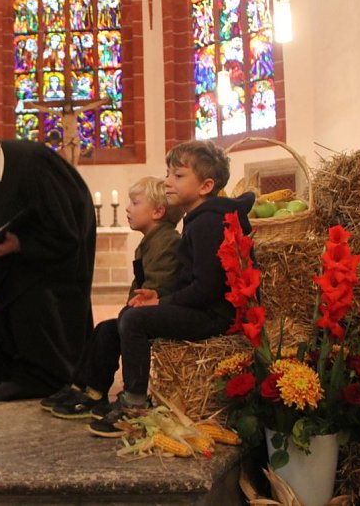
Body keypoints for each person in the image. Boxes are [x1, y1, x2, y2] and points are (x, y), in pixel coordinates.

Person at [87, 140, 255, 437]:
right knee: (129, 316)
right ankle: (95, 391)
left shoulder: (207, 223)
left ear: (205, 186)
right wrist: (160, 297)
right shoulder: (199, 220)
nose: (167, 181)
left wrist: (164, 303)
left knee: (134, 320)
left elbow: (206, 289)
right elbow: (193, 280)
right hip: (203, 308)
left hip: (216, 316)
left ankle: (135, 403)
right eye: (168, 173)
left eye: (178, 176)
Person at [0, 117, 96, 402]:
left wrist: (21, 244)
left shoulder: (32, 161)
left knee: (31, 300)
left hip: (46, 264)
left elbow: (66, 226)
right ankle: (6, 372)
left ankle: (40, 375)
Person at [41, 177, 183, 420]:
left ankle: (103, 393)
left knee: (109, 330)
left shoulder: (166, 241)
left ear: (158, 211)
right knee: (104, 330)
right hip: (148, 311)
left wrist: (132, 309)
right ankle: (85, 388)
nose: (128, 207)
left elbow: (160, 285)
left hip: (161, 313)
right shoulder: (152, 240)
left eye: (135, 202)